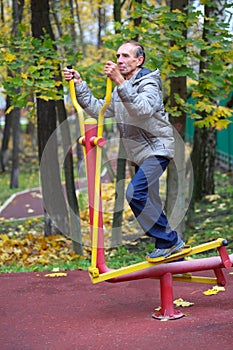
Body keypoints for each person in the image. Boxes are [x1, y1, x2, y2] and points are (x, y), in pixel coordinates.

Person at [63, 40, 185, 259]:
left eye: (126, 56)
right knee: (150, 200)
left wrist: (119, 81)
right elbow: (97, 108)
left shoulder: (149, 84)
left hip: (158, 148)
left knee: (135, 193)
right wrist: (80, 84)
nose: (120, 60)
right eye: (118, 56)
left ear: (139, 60)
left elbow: (143, 110)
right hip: (138, 154)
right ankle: (175, 253)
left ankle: (170, 241)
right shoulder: (121, 89)